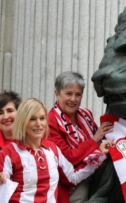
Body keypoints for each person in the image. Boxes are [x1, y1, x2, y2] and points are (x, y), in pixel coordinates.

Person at [0, 98, 113, 202]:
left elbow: (73, 178)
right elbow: (0, 189)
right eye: (32, 119)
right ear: (22, 121)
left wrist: (100, 154)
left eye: (42, 118)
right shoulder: (9, 152)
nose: (39, 124)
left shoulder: (52, 149)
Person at [47, 71, 113, 202]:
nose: (73, 99)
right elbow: (68, 158)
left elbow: (100, 142)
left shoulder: (86, 114)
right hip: (69, 183)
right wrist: (94, 140)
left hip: (95, 172)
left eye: (78, 95)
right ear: (57, 94)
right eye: (68, 94)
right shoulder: (50, 121)